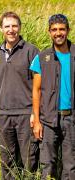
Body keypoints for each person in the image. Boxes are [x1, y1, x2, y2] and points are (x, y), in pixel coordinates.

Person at [0, 11, 39, 179]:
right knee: (6, 160)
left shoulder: (31, 51)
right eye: (7, 26)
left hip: (26, 114)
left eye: (14, 26)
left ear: (20, 27)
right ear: (1, 29)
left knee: (29, 159)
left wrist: (35, 114)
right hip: (4, 115)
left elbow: (39, 86)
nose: (11, 30)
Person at [30, 14, 75, 179]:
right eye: (54, 30)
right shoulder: (42, 58)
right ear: (49, 32)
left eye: (62, 29)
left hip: (72, 119)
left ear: (68, 30)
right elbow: (36, 90)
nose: (58, 33)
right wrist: (36, 120)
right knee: (47, 164)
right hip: (48, 120)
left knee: (71, 165)